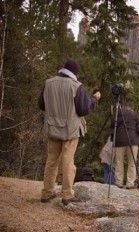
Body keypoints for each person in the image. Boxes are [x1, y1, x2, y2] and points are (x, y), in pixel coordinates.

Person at [38, 59, 101, 205]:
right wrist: (94, 99)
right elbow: (84, 109)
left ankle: (47, 192)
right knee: (67, 161)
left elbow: (41, 104)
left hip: (52, 128)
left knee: (51, 160)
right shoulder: (77, 87)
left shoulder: (48, 83)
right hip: (69, 131)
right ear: (75, 73)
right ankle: (67, 195)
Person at [111, 101, 139, 189]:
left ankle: (119, 182)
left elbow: (112, 126)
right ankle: (130, 183)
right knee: (132, 162)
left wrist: (112, 139)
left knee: (118, 162)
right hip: (132, 140)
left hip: (119, 140)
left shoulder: (117, 113)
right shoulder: (134, 114)